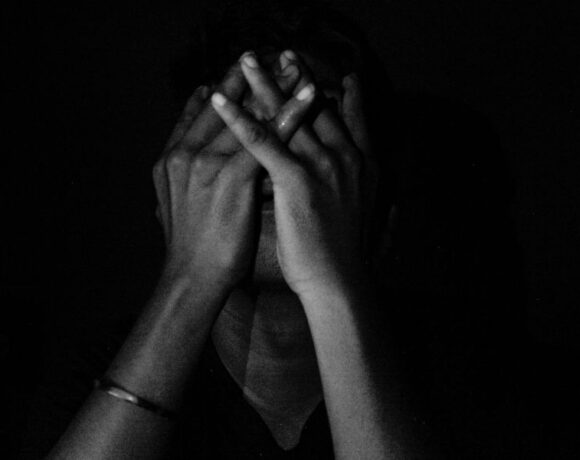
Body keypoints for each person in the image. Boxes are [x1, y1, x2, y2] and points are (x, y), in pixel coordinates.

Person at [20, 1, 522, 459]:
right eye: (236, 126)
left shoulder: (477, 376)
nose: (270, 159)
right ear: (175, 191)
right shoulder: (90, 373)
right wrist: (189, 281)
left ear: (382, 209)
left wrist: (331, 285)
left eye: (311, 129)